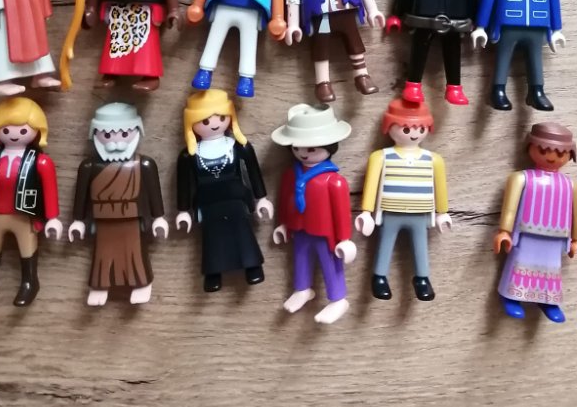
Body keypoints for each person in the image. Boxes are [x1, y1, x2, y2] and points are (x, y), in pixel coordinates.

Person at [0, 98, 61, 307]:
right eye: (6, 130)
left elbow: (49, 189)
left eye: (23, 130)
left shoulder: (40, 162)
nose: (14, 134)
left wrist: (52, 218)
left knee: (27, 247)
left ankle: (30, 282)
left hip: (23, 215)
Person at [69, 102, 168, 306]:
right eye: (107, 135)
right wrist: (78, 220)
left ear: (137, 131)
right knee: (103, 253)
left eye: (124, 134)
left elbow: (153, 193)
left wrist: (159, 217)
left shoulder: (144, 165)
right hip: (102, 218)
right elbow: (81, 196)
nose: (115, 142)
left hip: (132, 217)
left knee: (134, 252)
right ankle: (100, 286)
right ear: (95, 134)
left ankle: (141, 284)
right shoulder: (89, 166)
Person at [176, 90, 273, 293]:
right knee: (212, 238)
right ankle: (213, 272)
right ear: (191, 122)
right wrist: (183, 210)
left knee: (243, 232)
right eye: (205, 121)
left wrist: (262, 198)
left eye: (221, 118)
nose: (214, 124)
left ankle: (252, 266)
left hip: (236, 197)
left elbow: (254, 171)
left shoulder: (238, 146)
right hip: (208, 202)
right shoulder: (189, 154)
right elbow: (184, 183)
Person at [356, 99, 451, 303]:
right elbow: (371, 185)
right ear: (389, 127)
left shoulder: (433, 159)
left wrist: (442, 213)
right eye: (406, 129)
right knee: (385, 243)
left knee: (421, 246)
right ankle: (379, 277)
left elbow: (440, 187)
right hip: (390, 211)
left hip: (420, 213)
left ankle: (422, 279)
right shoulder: (381, 157)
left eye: (420, 129)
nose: (414, 134)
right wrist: (366, 212)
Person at [272, 103, 356, 324]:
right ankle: (302, 289)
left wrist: (345, 239)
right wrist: (283, 223)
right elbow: (285, 199)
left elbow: (342, 212)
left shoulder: (334, 181)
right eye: (297, 148)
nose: (303, 154)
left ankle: (338, 298)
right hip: (299, 228)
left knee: (330, 264)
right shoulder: (291, 175)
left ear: (330, 146)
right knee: (299, 258)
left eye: (311, 149)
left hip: (325, 233)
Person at [495, 122, 577, 323]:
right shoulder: (521, 178)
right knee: (520, 263)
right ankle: (511, 296)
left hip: (557, 236)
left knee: (551, 267)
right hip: (526, 232)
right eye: (543, 150)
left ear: (570, 154)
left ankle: (548, 300)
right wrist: (504, 231)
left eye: (560, 153)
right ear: (530, 147)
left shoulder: (572, 186)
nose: (551, 157)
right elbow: (510, 207)